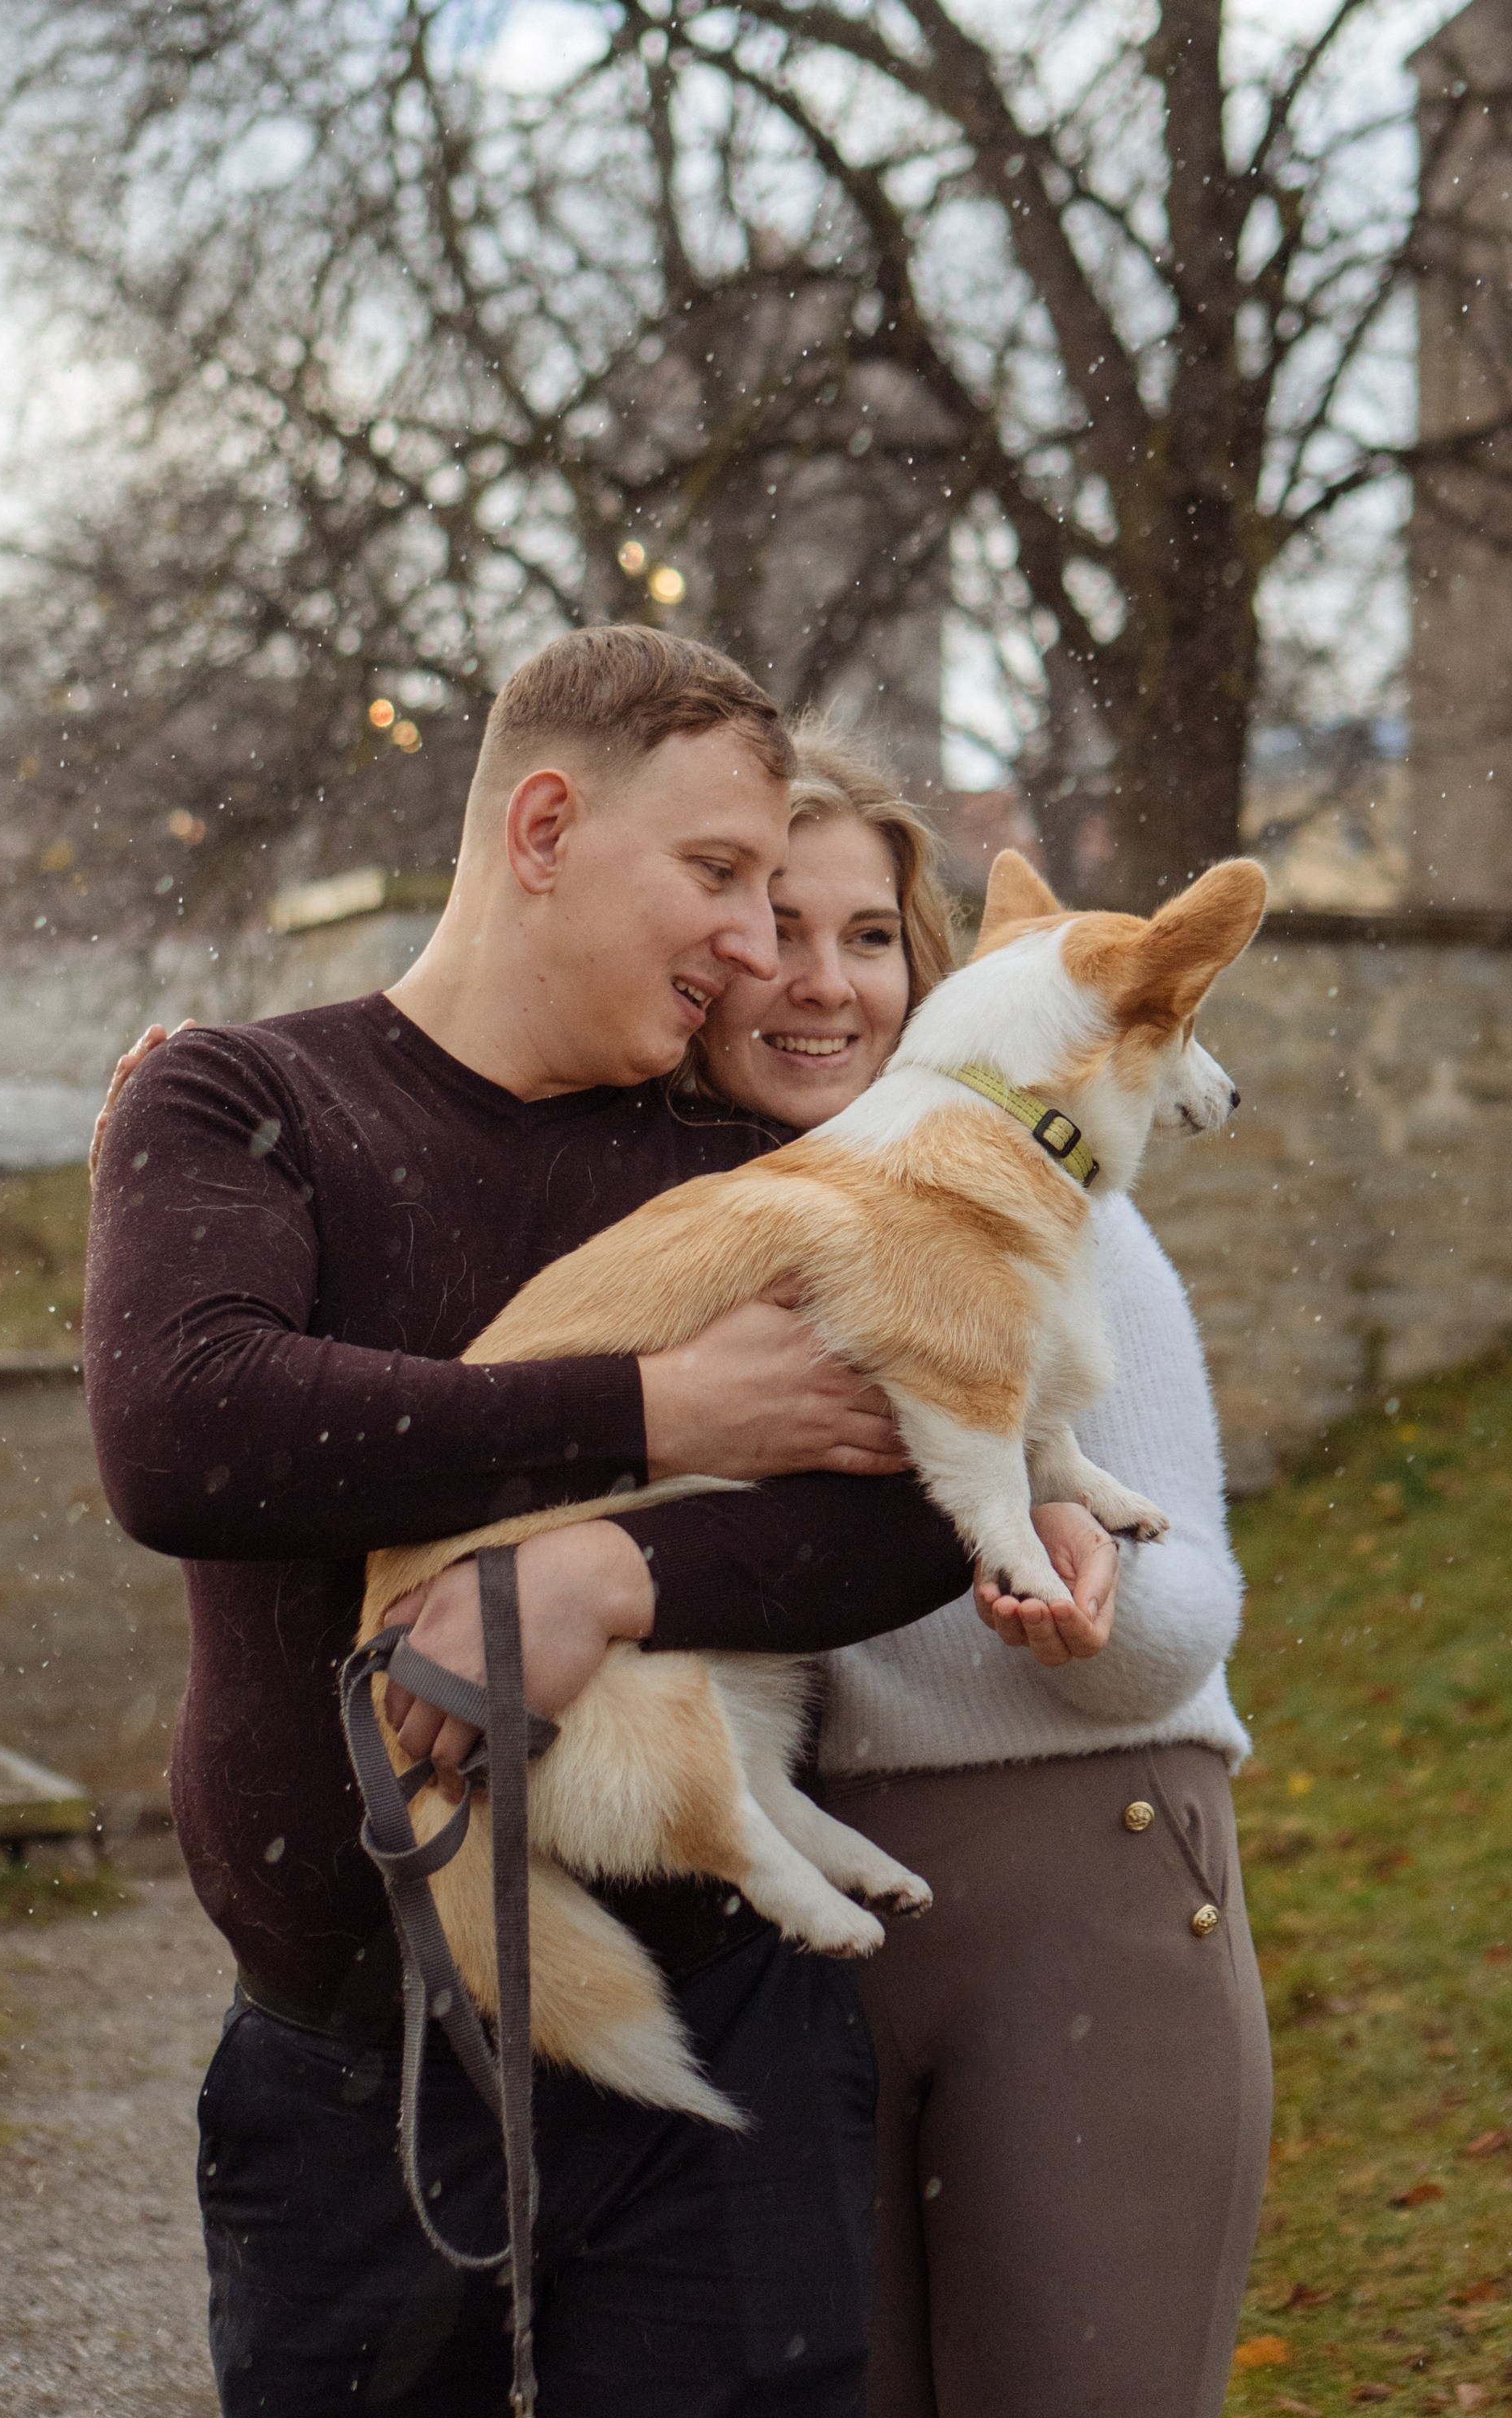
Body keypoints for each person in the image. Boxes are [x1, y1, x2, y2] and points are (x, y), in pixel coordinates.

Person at [85, 626, 1115, 2418]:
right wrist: (652, 1412)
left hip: (729, 2048)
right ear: (544, 829)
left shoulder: (744, 1160)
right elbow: (190, 1434)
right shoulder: (245, 1099)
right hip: (350, 2083)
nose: (757, 945)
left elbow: (897, 1511)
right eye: (716, 875)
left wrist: (607, 1571)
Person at [686, 727, 1273, 2418]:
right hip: (800, 1925)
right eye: (776, 930)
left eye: (870, 935)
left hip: (1086, 1879)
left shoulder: (1057, 1204)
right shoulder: (687, 1227)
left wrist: (1084, 1609)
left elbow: (1186, 1618)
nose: (823, 982)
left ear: (926, 965)